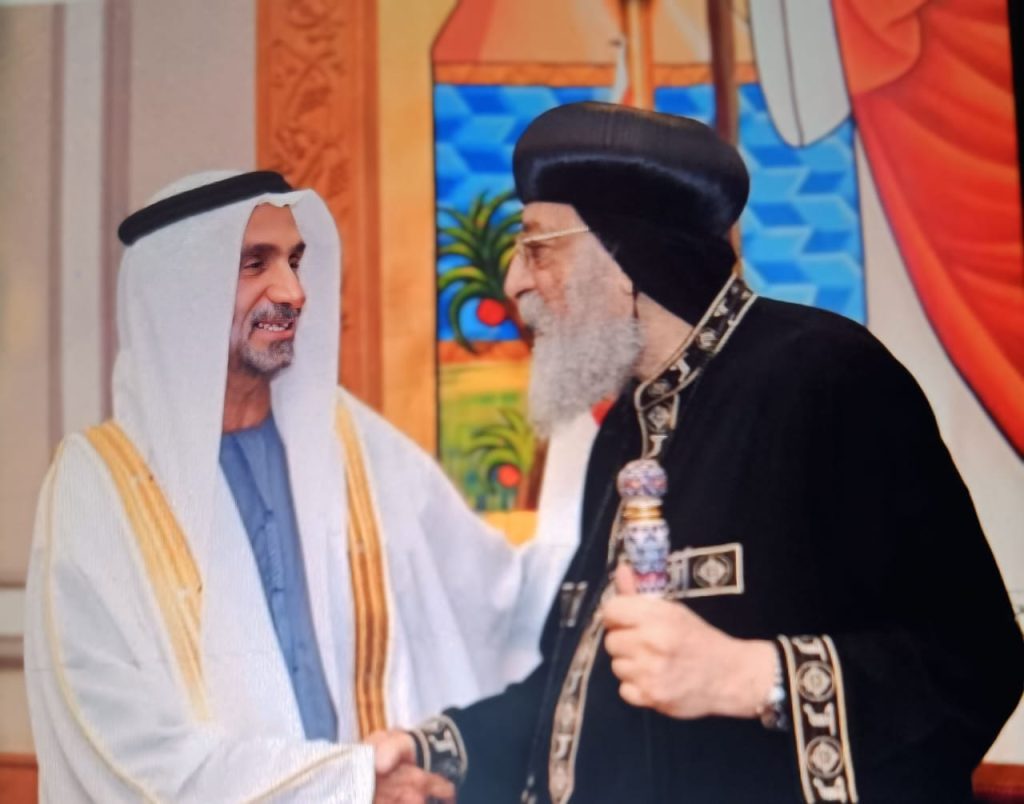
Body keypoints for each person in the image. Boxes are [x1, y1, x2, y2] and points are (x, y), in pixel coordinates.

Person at [371, 103, 1024, 803]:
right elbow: (579, 684)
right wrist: (436, 750)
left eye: (536, 246)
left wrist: (753, 677)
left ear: (624, 254)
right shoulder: (624, 431)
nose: (514, 283)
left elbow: (975, 659)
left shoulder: (827, 377)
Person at [23, 170, 571, 802]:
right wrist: (349, 785)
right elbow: (118, 744)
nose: (293, 291)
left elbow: (497, 599)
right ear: (181, 293)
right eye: (255, 263)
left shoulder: (350, 439)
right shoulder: (96, 487)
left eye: (295, 261)